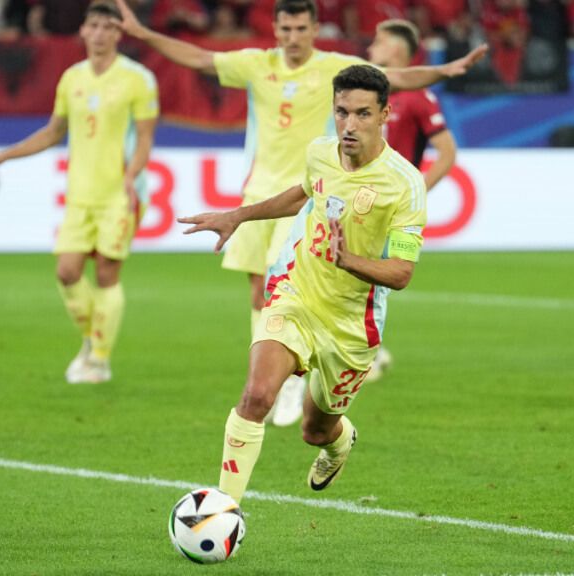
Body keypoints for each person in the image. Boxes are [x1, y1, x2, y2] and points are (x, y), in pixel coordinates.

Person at [114, 0, 485, 426]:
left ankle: (294, 381)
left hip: (315, 195)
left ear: (314, 29)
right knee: (260, 291)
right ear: (275, 28)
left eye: (300, 28)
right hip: (260, 191)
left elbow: (396, 78)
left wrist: (445, 70)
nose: (292, 37)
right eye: (285, 28)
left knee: (291, 285)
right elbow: (198, 58)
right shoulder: (255, 63)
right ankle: (277, 372)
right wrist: (143, 35)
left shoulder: (335, 67)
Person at [181, 65, 427, 503]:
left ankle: (338, 441)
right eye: (342, 112)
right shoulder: (320, 153)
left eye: (363, 114)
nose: (350, 125)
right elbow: (303, 193)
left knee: (314, 429)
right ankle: (224, 508)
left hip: (351, 322)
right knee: (257, 396)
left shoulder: (405, 184)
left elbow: (402, 274)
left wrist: (346, 259)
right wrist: (237, 215)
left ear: (386, 114)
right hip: (295, 293)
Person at [0, 2, 158, 384]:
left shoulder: (138, 79)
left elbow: (144, 138)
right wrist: (5, 155)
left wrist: (132, 175)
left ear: (118, 34)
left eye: (109, 27)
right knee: (67, 271)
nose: (100, 33)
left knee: (107, 273)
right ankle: (93, 341)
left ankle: (100, 359)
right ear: (83, 31)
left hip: (119, 194)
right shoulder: (71, 78)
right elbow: (53, 131)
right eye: (94, 26)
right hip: (79, 193)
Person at [364, 18, 458, 382]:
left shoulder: (418, 97)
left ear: (397, 51)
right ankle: (372, 350)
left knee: (371, 279)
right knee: (356, 279)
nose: (371, 46)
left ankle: (368, 354)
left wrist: (413, 193)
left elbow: (447, 153)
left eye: (378, 40)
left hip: (390, 207)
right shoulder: (365, 92)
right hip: (360, 199)